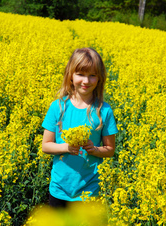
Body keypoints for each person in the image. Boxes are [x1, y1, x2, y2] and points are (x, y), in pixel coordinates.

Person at [42, 47, 118, 208]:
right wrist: (67, 147)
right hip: (59, 189)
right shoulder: (58, 107)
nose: (86, 81)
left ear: (99, 79)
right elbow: (46, 146)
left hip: (90, 191)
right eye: (81, 74)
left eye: (92, 76)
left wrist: (95, 150)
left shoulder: (104, 111)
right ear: (70, 76)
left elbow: (110, 149)